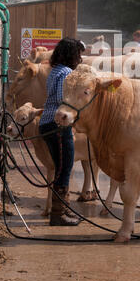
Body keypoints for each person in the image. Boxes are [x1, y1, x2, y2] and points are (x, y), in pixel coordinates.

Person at [39, 37, 85, 226]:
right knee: (64, 168)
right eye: (78, 54)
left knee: (60, 167)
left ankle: (62, 211)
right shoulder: (66, 72)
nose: (80, 58)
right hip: (58, 124)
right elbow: (62, 98)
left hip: (47, 123)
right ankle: (58, 215)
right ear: (72, 55)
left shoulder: (55, 70)